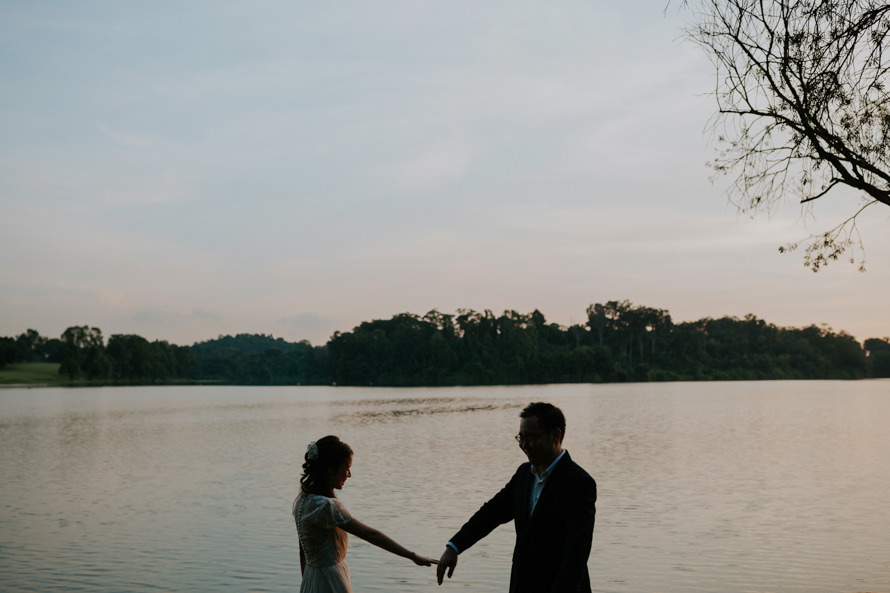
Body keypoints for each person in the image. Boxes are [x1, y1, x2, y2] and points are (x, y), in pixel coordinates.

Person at [436, 402, 597, 593]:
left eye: (531, 438)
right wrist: (454, 546)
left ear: (556, 435)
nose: (524, 445)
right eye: (521, 437)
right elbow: (491, 513)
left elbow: (576, 553)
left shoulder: (579, 483)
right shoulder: (523, 475)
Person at [293, 435, 437, 593]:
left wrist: (307, 583)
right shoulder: (326, 507)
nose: (349, 474)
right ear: (330, 469)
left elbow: (302, 551)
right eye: (346, 468)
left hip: (310, 578)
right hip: (331, 580)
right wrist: (412, 555)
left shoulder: (302, 500)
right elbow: (371, 535)